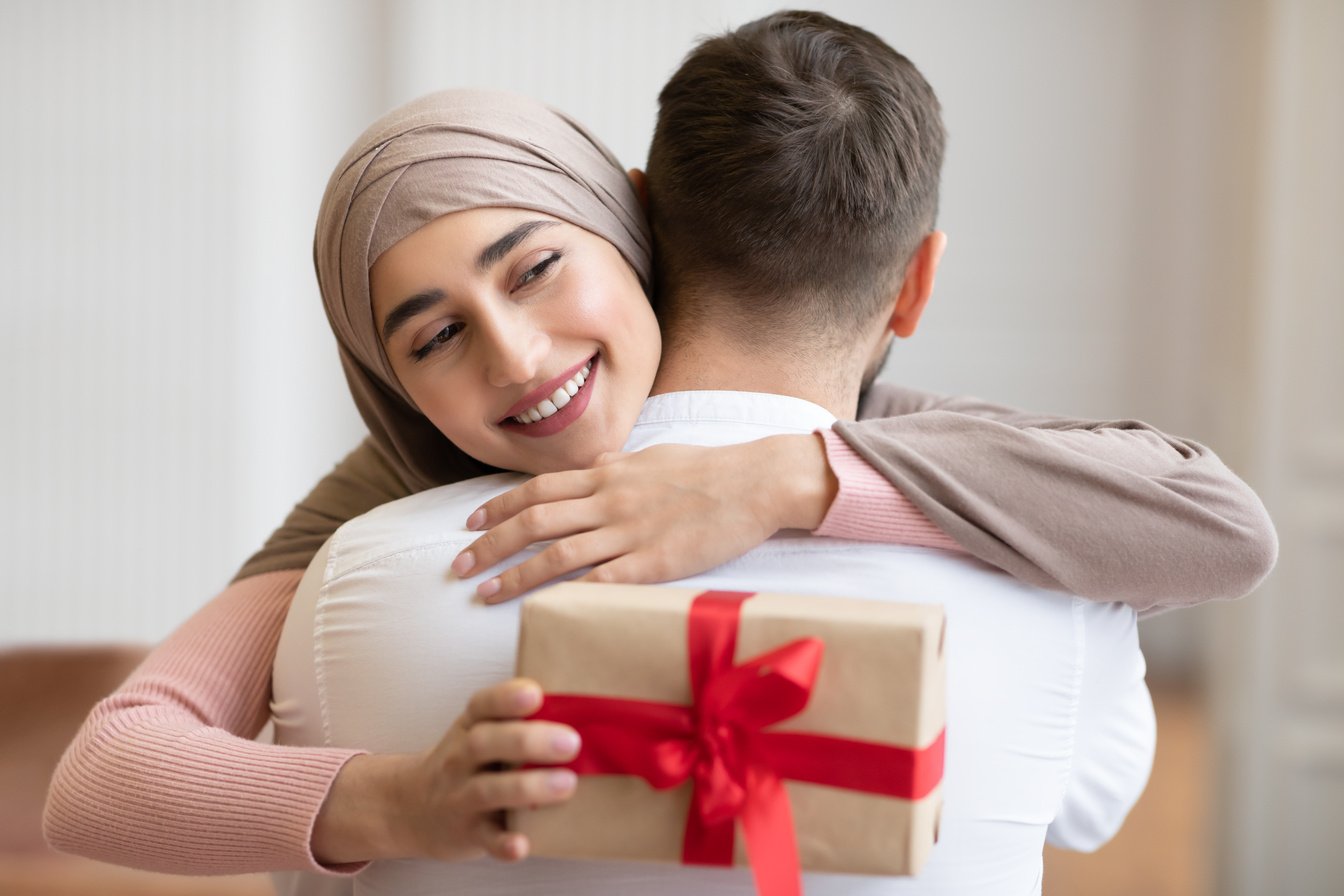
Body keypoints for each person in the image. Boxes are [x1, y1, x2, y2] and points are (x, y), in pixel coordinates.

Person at [44, 14, 1275, 883]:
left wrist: (785, 479)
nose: (520, 360)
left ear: (627, 221)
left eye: (537, 268)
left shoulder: (892, 438)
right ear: (388, 386)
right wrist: (400, 798)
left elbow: (1214, 525)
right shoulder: (384, 493)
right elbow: (106, 770)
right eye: (431, 340)